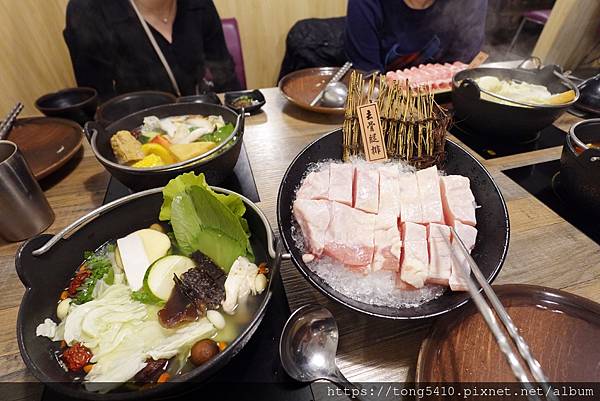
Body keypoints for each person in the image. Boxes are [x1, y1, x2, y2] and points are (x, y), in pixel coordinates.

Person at [64, 0, 240, 101]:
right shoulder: (89, 10)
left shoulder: (198, 4)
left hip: (203, 122)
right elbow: (97, 105)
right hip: (137, 136)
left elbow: (225, 76)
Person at [345, 0, 487, 72]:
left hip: (442, 105)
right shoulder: (367, 3)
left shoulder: (469, 3)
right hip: (384, 102)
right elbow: (366, 80)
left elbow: (463, 73)